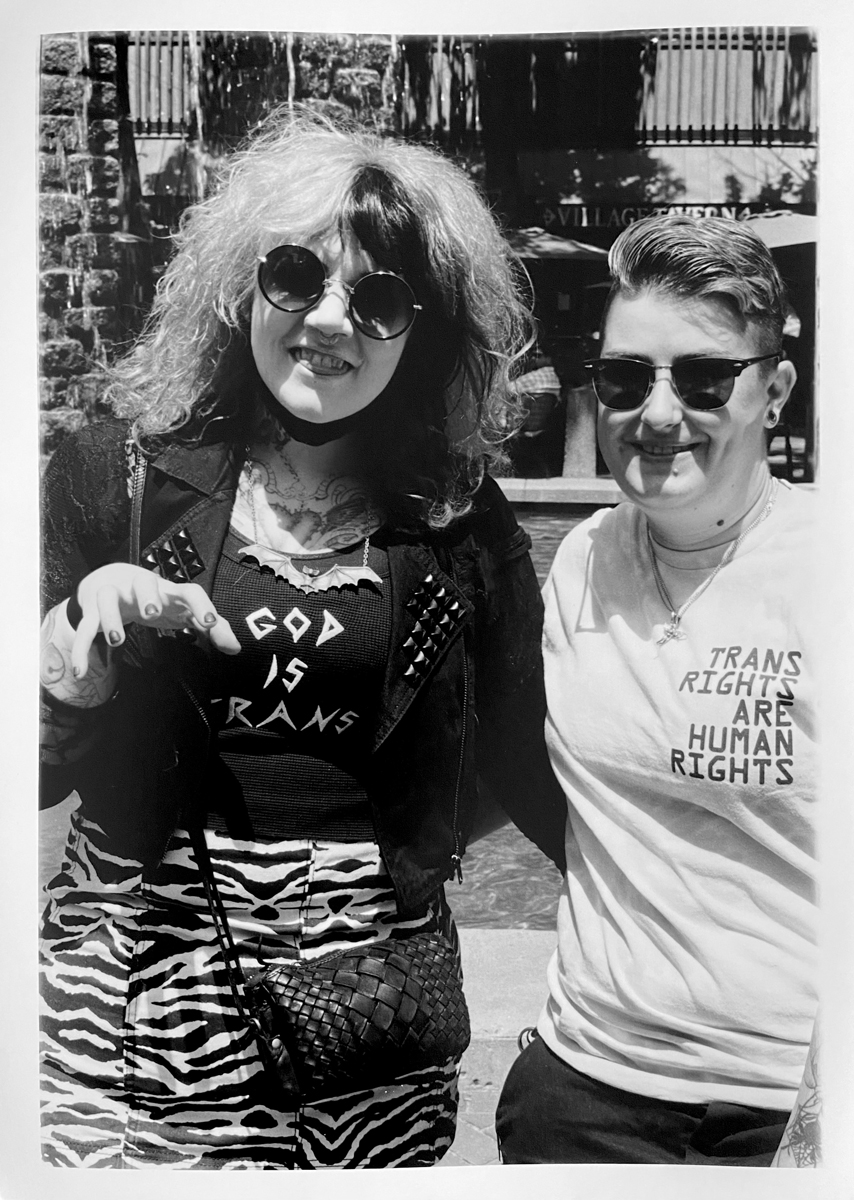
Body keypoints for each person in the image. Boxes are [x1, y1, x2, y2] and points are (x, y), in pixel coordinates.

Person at [39, 107, 567, 1170]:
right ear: (242, 288)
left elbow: (522, 761)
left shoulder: (463, 525)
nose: (330, 319)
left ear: (422, 333)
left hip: (366, 995)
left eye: (378, 299)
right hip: (139, 968)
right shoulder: (116, 479)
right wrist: (73, 658)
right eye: (296, 277)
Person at [495, 213, 819, 1166]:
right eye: (628, 378)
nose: (660, 412)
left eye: (705, 377)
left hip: (785, 1103)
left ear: (776, 391)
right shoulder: (580, 564)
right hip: (588, 1091)